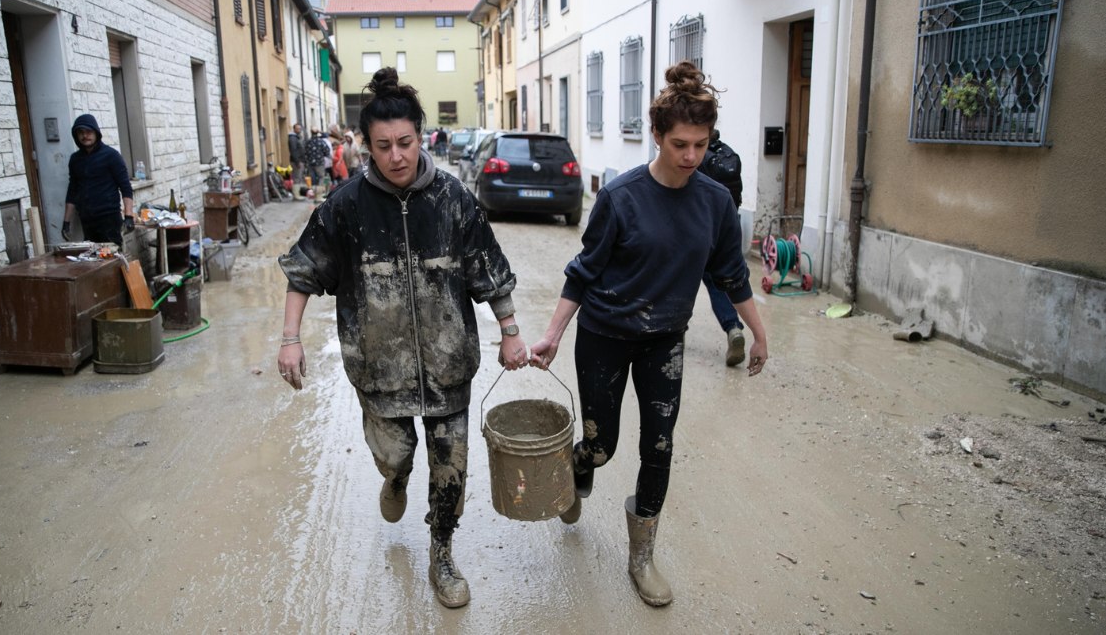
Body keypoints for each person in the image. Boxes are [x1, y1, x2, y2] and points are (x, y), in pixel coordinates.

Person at [277, 67, 529, 609]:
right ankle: (394, 478)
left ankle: (442, 551)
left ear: (421, 137)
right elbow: (303, 271)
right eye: (383, 146)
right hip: (378, 366)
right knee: (396, 454)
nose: (397, 156)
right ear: (366, 147)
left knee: (451, 467)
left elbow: (489, 270)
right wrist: (289, 338)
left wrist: (510, 332)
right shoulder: (344, 207)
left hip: (448, 365)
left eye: (406, 143)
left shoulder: (454, 199)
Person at [529, 61, 768, 607]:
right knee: (604, 443)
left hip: (665, 339)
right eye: (680, 143)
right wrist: (552, 334)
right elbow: (583, 271)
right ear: (657, 135)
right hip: (605, 335)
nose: (690, 156)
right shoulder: (622, 197)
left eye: (701, 144)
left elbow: (732, 274)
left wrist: (758, 333)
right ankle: (579, 466)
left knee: (658, 446)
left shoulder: (715, 202)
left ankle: (642, 555)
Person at [698, 129, 747, 366]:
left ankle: (675, 334)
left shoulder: (696, 158)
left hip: (699, 230)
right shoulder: (728, 155)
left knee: (677, 281)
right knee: (720, 285)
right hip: (727, 226)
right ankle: (733, 328)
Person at [62, 114, 134, 247]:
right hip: (87, 220)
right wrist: (66, 222)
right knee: (92, 259)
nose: (85, 136)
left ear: (96, 133)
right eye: (81, 132)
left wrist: (129, 216)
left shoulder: (111, 156)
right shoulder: (75, 160)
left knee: (112, 259)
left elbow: (125, 187)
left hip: (109, 219)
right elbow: (72, 191)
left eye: (89, 132)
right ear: (76, 136)